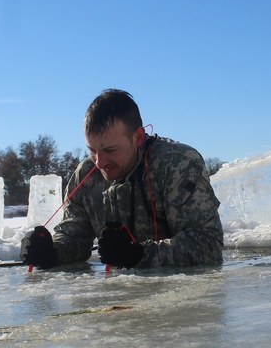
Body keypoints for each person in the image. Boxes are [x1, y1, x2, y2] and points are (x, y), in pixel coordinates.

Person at [21, 89, 224, 269]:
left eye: (110, 150)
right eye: (92, 150)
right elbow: (75, 238)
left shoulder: (178, 164)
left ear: (137, 137)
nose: (100, 162)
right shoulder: (87, 173)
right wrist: (50, 253)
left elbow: (208, 244)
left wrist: (137, 254)